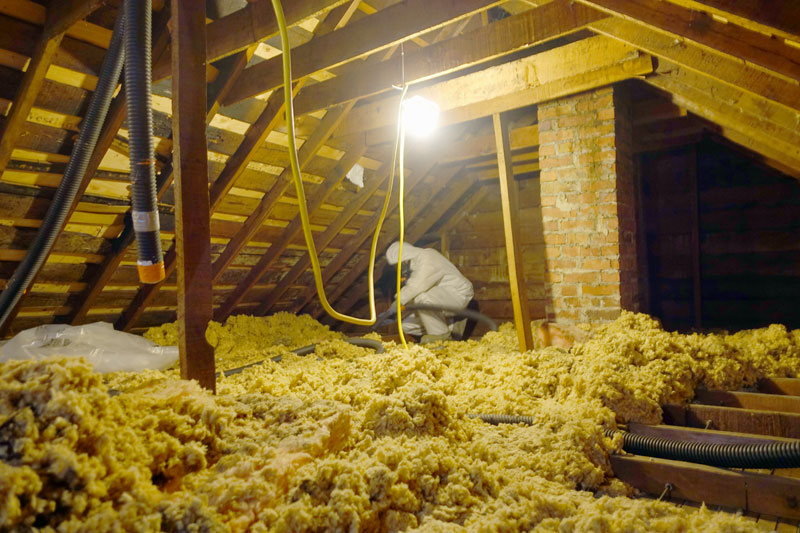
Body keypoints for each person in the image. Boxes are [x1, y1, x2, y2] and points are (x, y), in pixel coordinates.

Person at [384, 241, 474, 343]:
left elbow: (416, 286)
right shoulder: (415, 266)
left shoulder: (428, 256)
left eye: (397, 266)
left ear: (404, 260)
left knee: (422, 299)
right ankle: (450, 327)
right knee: (407, 326)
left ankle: (441, 338)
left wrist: (398, 302)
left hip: (457, 294)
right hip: (439, 297)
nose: (397, 269)